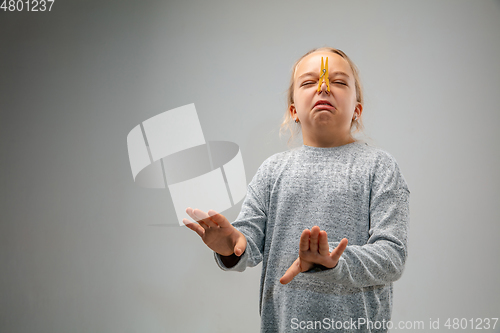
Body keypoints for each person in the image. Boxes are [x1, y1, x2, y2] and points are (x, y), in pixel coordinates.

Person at [183, 47, 410, 333]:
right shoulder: (272, 171)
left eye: (338, 82)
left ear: (357, 109)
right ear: (293, 110)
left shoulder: (380, 167)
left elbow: (392, 257)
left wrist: (335, 261)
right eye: (308, 82)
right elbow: (246, 244)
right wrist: (230, 246)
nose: (324, 88)